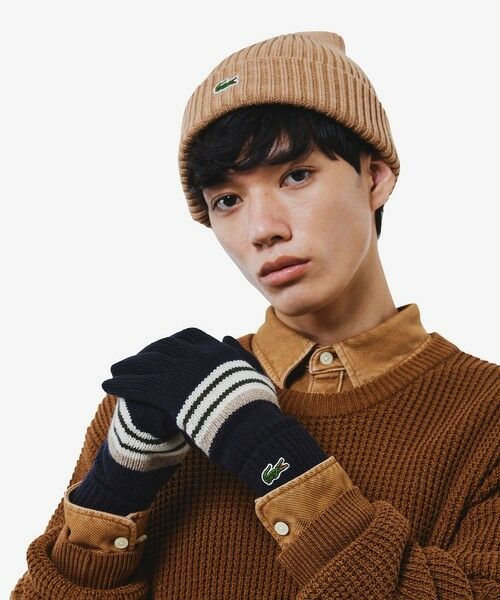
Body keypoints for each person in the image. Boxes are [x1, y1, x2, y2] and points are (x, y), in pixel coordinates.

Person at [11, 30, 499, 599]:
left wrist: (271, 455)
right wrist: (111, 498)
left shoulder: (486, 415)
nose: (262, 229)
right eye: (227, 200)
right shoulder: (165, 396)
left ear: (375, 176)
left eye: (296, 176)